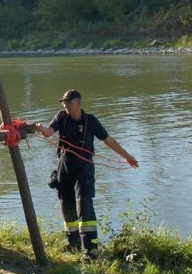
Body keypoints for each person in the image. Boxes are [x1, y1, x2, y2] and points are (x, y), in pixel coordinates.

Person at [38, 89, 138, 257]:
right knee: (66, 203)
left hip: (84, 165)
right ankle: (73, 244)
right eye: (64, 103)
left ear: (79, 103)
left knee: (84, 203)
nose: (66, 105)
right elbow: (49, 132)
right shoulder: (61, 117)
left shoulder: (90, 121)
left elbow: (108, 140)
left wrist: (128, 157)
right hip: (65, 164)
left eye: (69, 102)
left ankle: (91, 248)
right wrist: (40, 128)